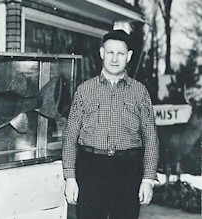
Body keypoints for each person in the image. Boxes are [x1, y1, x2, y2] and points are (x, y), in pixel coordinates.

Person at [62, 29, 159, 219]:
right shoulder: (85, 90)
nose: (115, 59)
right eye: (110, 52)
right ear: (101, 53)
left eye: (120, 53)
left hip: (128, 171)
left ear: (129, 56)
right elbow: (70, 136)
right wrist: (70, 177)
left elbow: (151, 138)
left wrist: (148, 179)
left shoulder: (140, 92)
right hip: (91, 170)